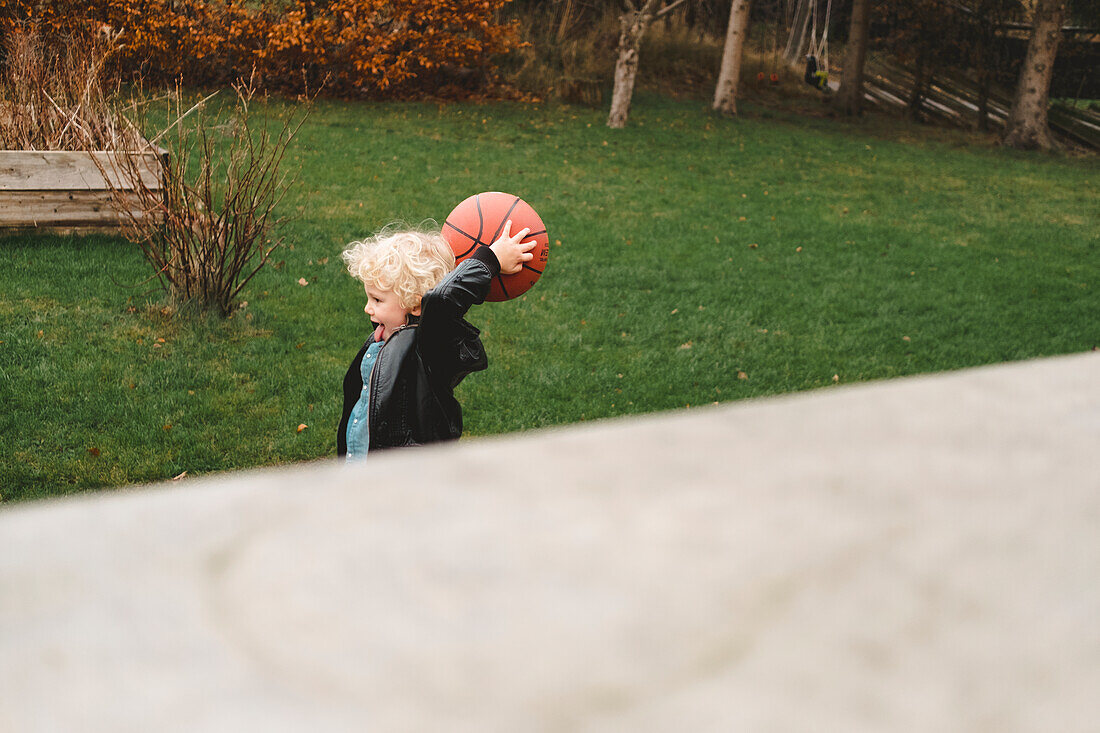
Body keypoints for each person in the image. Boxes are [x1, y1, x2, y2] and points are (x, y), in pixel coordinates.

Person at [337, 221, 535, 460]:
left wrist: (490, 259)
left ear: (417, 304)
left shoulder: (430, 347)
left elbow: (443, 301)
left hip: (407, 475)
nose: (367, 308)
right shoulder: (387, 336)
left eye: (377, 300)